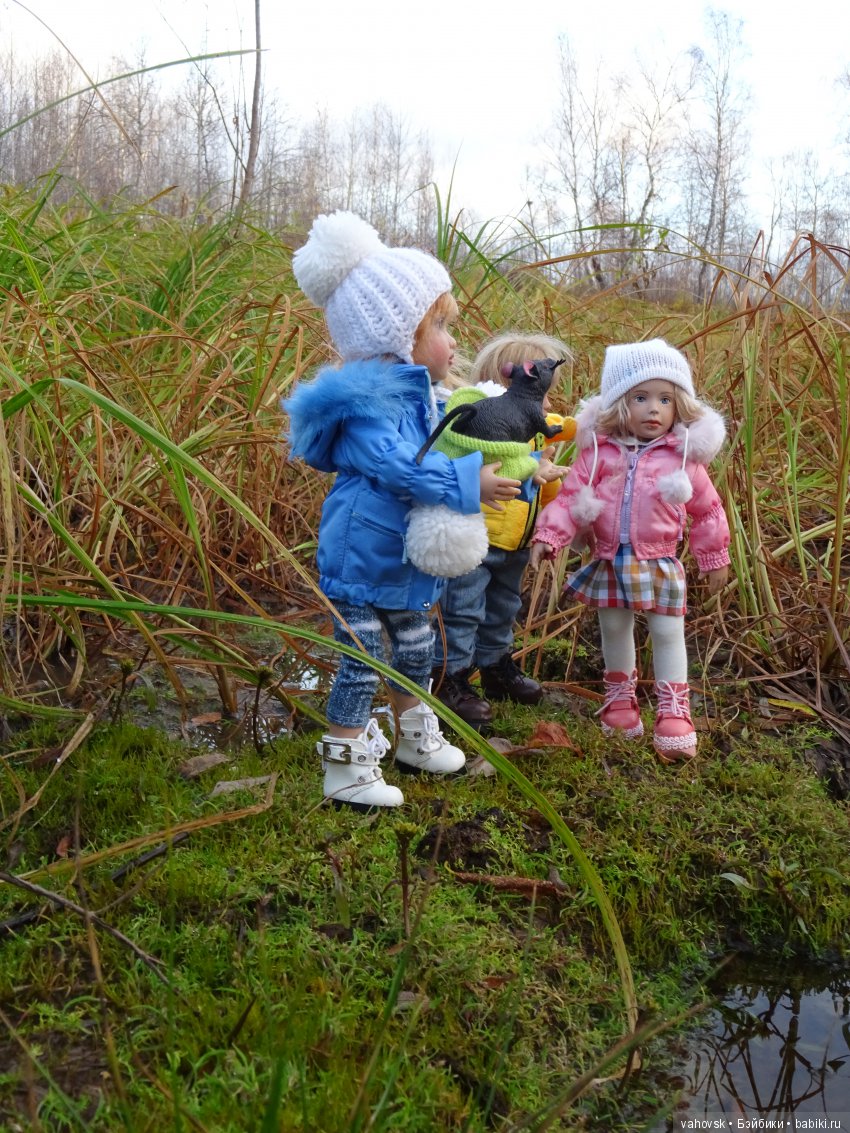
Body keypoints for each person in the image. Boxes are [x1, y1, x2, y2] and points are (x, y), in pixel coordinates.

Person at [283, 211, 521, 810]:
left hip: (399, 560)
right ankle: (344, 764)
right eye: (439, 325)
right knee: (362, 659)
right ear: (396, 336)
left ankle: (414, 738)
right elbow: (401, 469)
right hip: (360, 558)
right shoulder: (368, 412)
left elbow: (442, 449)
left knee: (416, 647)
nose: (453, 340)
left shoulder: (422, 402)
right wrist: (469, 484)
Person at [529, 338, 730, 762]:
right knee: (614, 628)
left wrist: (714, 556)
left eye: (665, 399)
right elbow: (570, 498)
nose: (653, 409)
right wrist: (550, 536)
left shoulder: (682, 459)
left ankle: (674, 709)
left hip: (660, 559)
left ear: (679, 406)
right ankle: (620, 698)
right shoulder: (599, 454)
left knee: (667, 632)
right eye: (641, 398)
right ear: (620, 402)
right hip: (609, 558)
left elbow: (708, 509)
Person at [432, 333, 576, 730]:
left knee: (503, 606)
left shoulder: (530, 427)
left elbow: (543, 473)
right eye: (545, 394)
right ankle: (450, 677)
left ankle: (495, 666)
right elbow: (474, 467)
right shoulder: (479, 426)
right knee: (462, 609)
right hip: (477, 537)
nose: (548, 404)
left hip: (514, 540)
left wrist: (548, 517)